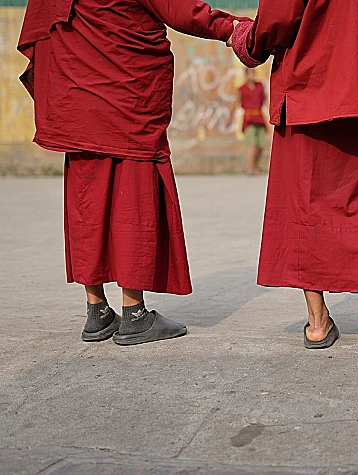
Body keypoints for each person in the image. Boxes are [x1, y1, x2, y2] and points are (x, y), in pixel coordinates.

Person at [17, 0, 241, 345]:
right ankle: (134, 314)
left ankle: (97, 312)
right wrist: (235, 29)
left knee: (87, 204)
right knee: (132, 202)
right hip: (126, 98)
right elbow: (180, 9)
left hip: (77, 95)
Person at [230, 0, 358, 351]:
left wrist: (247, 42)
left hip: (304, 91)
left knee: (305, 206)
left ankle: (317, 324)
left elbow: (277, 16)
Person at [237, 68, 268, 176]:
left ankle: (255, 166)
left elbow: (265, 100)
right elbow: (236, 102)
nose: (252, 76)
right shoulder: (242, 89)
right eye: (250, 74)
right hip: (249, 118)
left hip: (259, 117)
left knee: (261, 145)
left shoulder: (260, 86)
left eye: (253, 73)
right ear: (246, 75)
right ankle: (250, 169)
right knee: (252, 145)